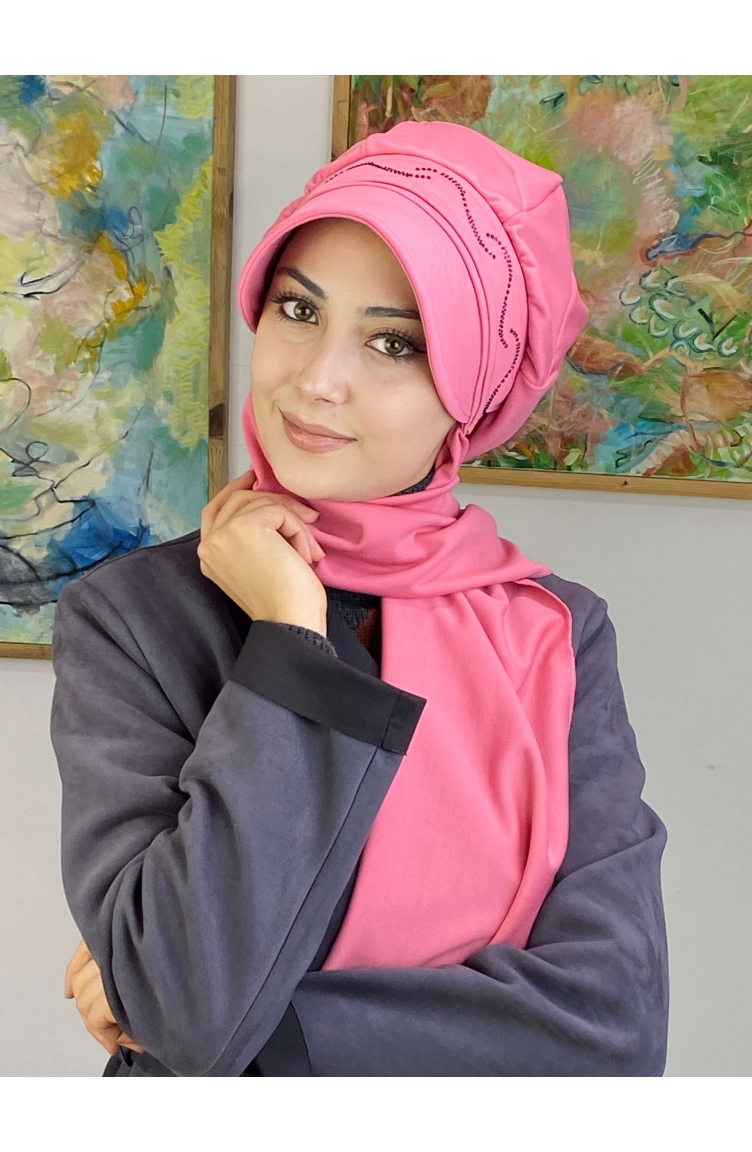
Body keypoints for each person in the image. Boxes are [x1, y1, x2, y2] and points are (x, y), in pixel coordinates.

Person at [51, 120, 669, 1077]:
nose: (318, 381)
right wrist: (290, 639)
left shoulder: (553, 633)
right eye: (299, 310)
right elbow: (185, 998)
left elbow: (611, 1029)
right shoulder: (135, 617)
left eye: (394, 342)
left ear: (473, 390)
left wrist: (255, 1030)